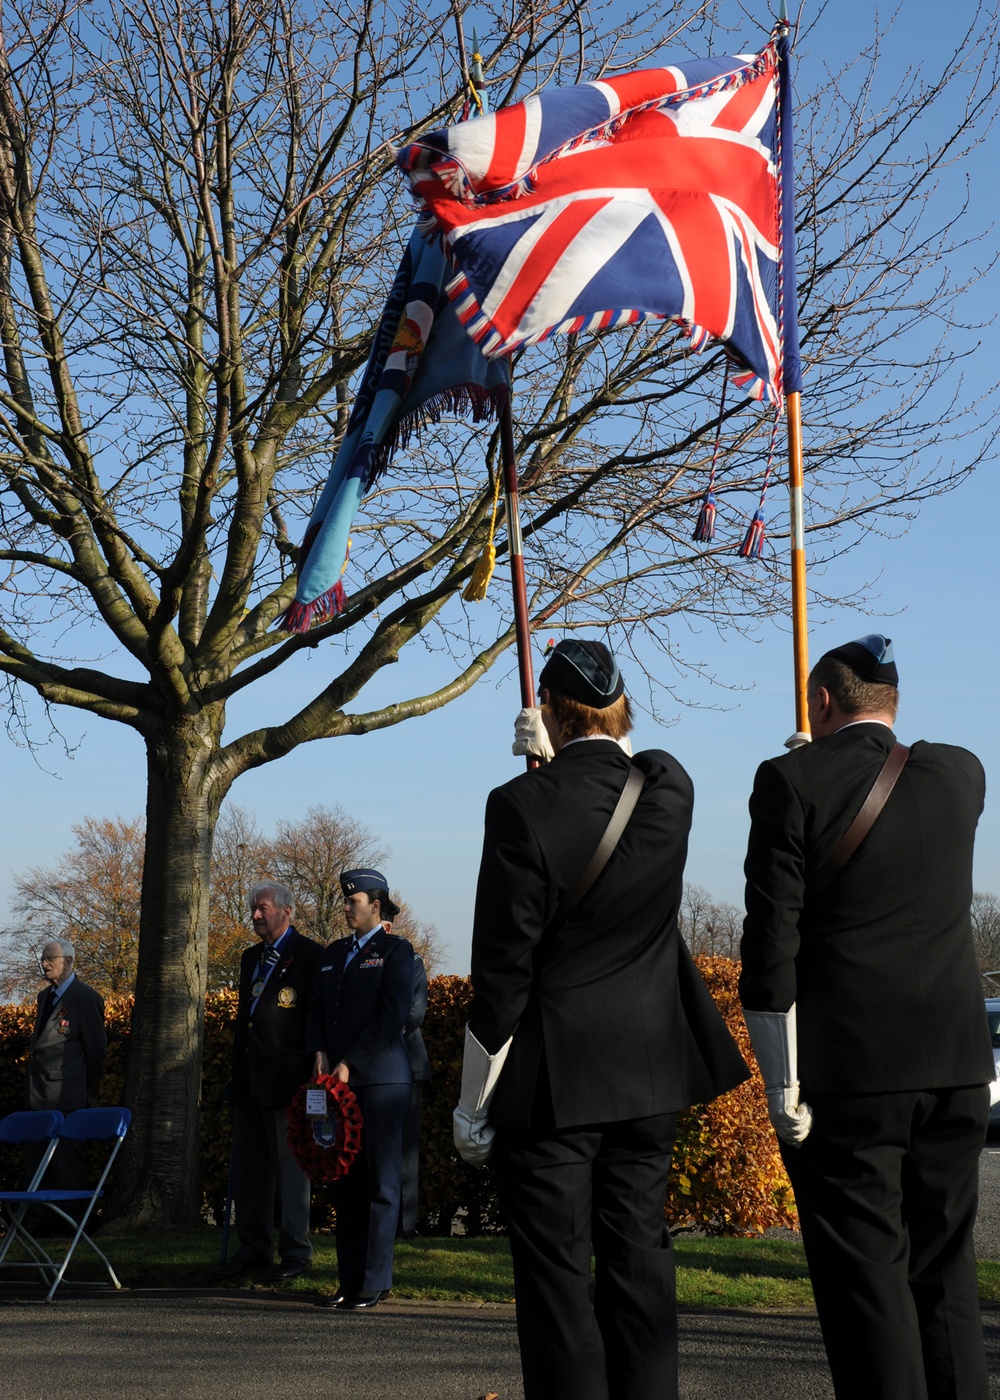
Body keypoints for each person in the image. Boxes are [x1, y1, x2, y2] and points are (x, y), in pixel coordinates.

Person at [456, 639, 748, 1400]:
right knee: (641, 1263)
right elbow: (630, 759)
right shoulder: (670, 788)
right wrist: (570, 751)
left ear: (546, 714)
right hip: (652, 1066)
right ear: (621, 709)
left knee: (556, 1277)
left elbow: (503, 972)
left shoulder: (517, 805)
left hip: (556, 1080)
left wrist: (472, 1099)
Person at [739, 632, 997, 1400]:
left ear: (821, 701)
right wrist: (820, 768)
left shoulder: (788, 781)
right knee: (945, 1279)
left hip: (856, 1076)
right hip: (955, 1066)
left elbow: (770, 945)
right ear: (891, 702)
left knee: (868, 1289)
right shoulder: (962, 773)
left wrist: (780, 1082)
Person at [309, 868, 414, 1311]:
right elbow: (317, 1009)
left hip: (380, 1081)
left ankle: (374, 1282)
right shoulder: (334, 953)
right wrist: (318, 1051)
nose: (347, 906)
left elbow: (394, 1015)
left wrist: (352, 1060)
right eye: (345, 900)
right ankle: (348, 1281)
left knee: (380, 1183)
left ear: (377, 904)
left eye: (354, 900)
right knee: (344, 1183)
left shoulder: (395, 951)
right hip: (338, 1084)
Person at [215, 882, 323, 1282]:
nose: (255, 915)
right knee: (250, 1171)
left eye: (261, 908)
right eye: (252, 909)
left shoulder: (311, 956)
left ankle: (296, 1251)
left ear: (286, 911)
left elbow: (314, 1017)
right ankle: (253, 1248)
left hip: (288, 1082)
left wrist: (314, 1066)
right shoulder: (250, 959)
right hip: (248, 1082)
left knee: (292, 1172)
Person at [26, 938, 107, 1196]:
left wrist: (78, 1085)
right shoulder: (43, 997)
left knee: (68, 1162)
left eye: (51, 959)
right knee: (37, 1161)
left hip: (67, 1097)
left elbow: (96, 1050)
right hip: (37, 1095)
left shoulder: (86, 998)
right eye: (43, 958)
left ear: (69, 962)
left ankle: (71, 1220)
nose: (44, 964)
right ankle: (38, 1221)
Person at [399, 953, 431, 1238]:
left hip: (407, 1064)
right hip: (367, 1067)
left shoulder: (412, 962)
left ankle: (405, 1224)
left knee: (406, 1151)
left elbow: (414, 1013)